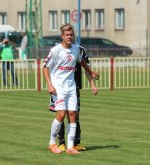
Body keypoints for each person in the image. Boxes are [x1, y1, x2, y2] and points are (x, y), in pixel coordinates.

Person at [43, 23, 99, 154]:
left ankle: (70, 147)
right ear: (62, 36)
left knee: (73, 115)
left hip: (72, 87)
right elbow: (45, 67)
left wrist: (91, 72)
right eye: (67, 35)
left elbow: (82, 61)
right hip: (59, 88)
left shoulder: (76, 49)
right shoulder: (56, 50)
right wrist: (50, 85)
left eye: (71, 35)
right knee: (61, 115)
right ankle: (52, 143)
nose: (69, 37)